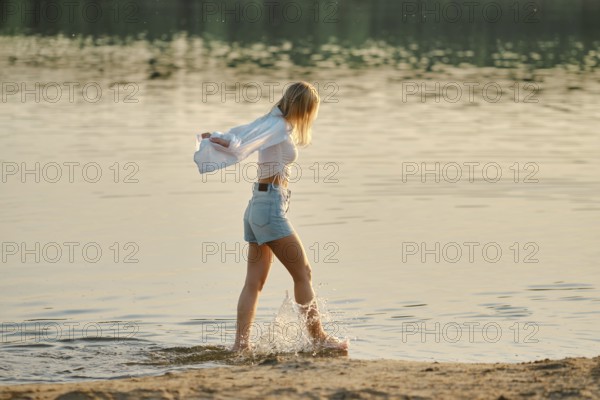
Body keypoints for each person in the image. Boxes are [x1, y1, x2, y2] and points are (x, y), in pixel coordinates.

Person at [194, 81, 349, 353]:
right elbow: (246, 139)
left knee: (254, 282)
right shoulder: (277, 127)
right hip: (269, 208)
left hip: (258, 205)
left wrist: (222, 136)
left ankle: (241, 347)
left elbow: (247, 133)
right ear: (304, 107)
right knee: (304, 274)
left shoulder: (273, 122)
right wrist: (224, 139)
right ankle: (319, 338)